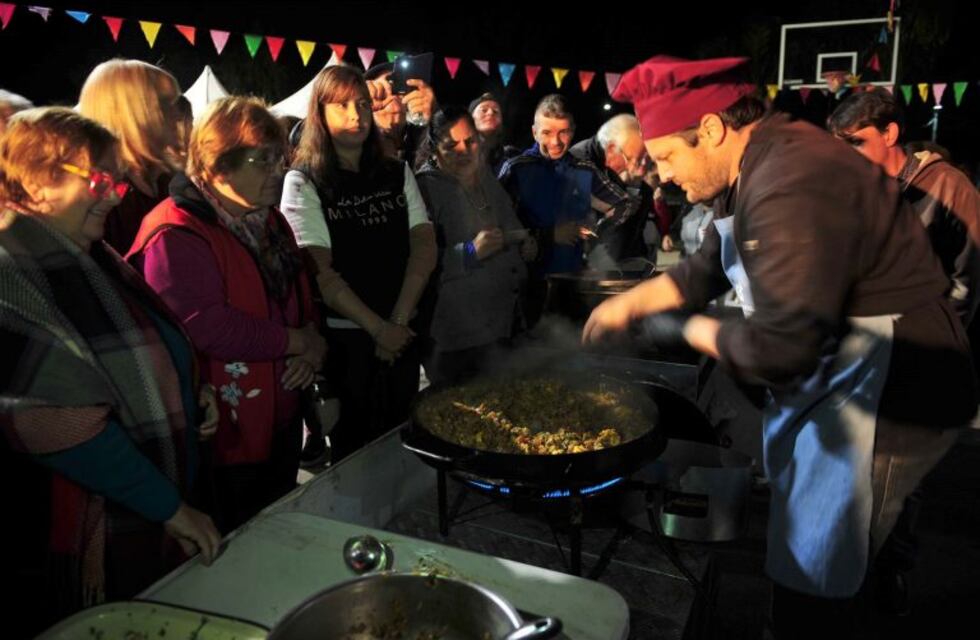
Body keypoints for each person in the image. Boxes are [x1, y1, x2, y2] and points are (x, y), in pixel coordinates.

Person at [582, 55, 977, 639]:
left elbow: (779, 349)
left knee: (830, 551)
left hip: (892, 381)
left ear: (711, 129)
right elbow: (710, 264)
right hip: (840, 364)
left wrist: (679, 328)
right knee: (805, 534)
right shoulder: (754, 160)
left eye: (666, 156)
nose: (661, 175)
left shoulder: (789, 176)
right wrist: (633, 302)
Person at [0, 107, 221, 636]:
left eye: (116, 180)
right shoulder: (12, 271)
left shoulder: (88, 254)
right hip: (81, 523)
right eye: (99, 179)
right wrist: (170, 509)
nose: (117, 194)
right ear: (35, 181)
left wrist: (193, 389)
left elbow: (141, 348)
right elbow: (60, 424)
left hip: (140, 508)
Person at [127, 97, 325, 533]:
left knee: (274, 530)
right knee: (232, 541)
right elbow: (204, 324)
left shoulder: (270, 221)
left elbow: (302, 294)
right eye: (263, 160)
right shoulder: (175, 230)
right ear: (218, 165)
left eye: (281, 158)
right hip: (223, 436)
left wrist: (311, 342)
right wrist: (295, 341)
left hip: (279, 421)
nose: (279, 171)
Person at [281, 65, 436, 462]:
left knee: (400, 442)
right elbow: (319, 271)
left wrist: (397, 323)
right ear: (320, 113)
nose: (356, 115)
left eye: (363, 104)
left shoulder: (396, 171)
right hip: (348, 342)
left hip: (401, 333)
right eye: (342, 106)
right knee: (355, 452)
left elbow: (424, 245)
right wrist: (377, 328)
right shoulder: (305, 180)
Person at [828, 87, 980, 328]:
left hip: (929, 343)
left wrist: (934, 334)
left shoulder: (949, 186)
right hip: (874, 341)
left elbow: (967, 281)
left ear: (889, 133)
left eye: (856, 142)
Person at [414, 107, 533, 385]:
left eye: (469, 142)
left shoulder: (486, 179)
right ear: (434, 149)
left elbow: (512, 227)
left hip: (502, 326)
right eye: (450, 145)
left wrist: (526, 243)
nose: (463, 151)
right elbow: (417, 263)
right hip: (455, 338)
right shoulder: (424, 188)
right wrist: (470, 252)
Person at [499, 94, 637, 326]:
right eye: (547, 133)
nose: (556, 142)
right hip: (525, 285)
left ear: (573, 131)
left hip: (574, 281)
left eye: (563, 132)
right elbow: (497, 227)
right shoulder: (516, 169)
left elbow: (626, 203)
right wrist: (546, 235)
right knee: (527, 354)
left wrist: (597, 230)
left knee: (569, 352)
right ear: (534, 132)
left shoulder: (583, 168)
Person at [78, 59, 186, 254]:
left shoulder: (170, 181)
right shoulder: (100, 196)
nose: (178, 115)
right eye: (165, 104)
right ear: (130, 114)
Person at [569, 113, 654, 264]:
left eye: (645, 159)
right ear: (611, 150)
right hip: (584, 264)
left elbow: (634, 229)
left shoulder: (634, 166)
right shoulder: (579, 163)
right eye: (634, 160)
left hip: (623, 260)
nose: (642, 170)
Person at [364, 61, 437, 163]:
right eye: (382, 92)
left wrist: (433, 118)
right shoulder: (358, 138)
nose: (393, 97)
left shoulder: (419, 135)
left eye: (399, 88)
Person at [469, 92, 520, 174]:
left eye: (496, 111)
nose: (490, 113)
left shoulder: (513, 157)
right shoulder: (458, 155)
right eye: (484, 110)